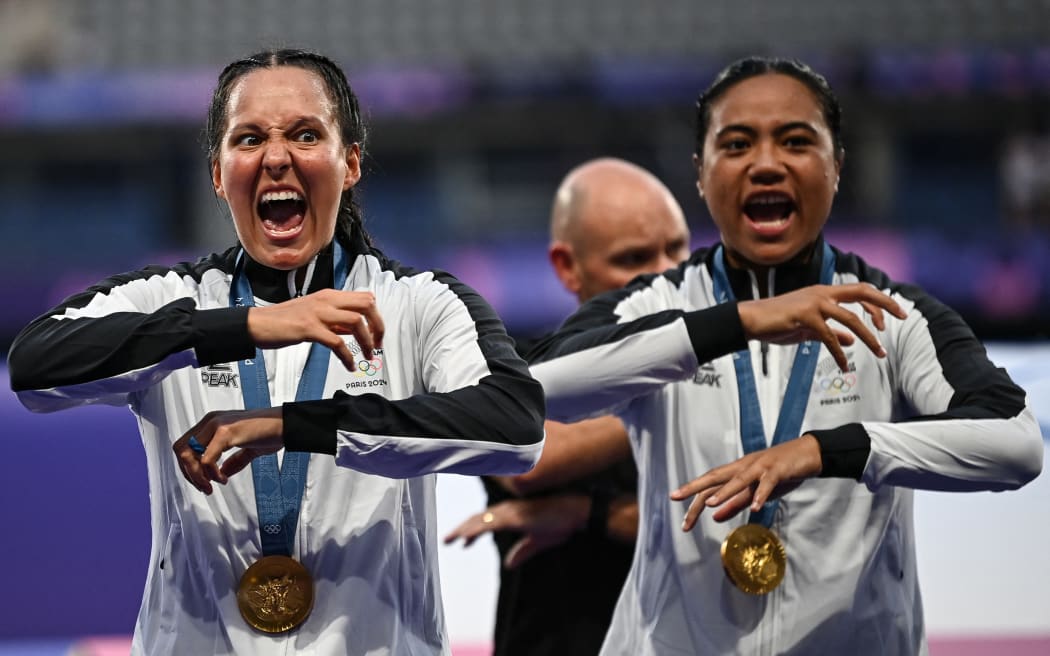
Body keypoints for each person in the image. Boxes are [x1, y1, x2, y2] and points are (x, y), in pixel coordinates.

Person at [7, 48, 545, 656]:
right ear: (217, 172)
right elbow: (35, 366)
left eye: (306, 135)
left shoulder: (420, 305)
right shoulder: (173, 298)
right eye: (250, 138)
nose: (278, 157)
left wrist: (293, 425)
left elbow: (515, 427)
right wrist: (242, 327)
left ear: (351, 164)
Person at [526, 57, 1044, 655]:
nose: (767, 164)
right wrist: (734, 324)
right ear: (701, 173)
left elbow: (1015, 442)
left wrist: (831, 451)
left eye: (796, 142)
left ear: (837, 165)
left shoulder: (894, 316)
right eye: (738, 143)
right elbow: (533, 390)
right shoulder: (659, 305)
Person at [444, 157, 691, 656]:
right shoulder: (509, 364)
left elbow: (720, 532)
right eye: (635, 258)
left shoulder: (714, 367)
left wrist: (586, 512)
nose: (665, 275)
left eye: (677, 249)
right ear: (566, 266)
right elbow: (530, 458)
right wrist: (683, 399)